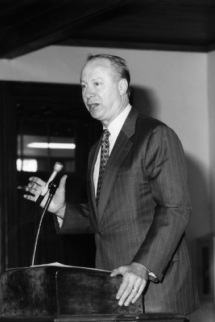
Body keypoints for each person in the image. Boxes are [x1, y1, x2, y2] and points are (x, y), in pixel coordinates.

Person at [24, 54, 199, 315]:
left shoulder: (155, 135)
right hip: (111, 290)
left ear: (122, 87)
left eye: (96, 84)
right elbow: (107, 218)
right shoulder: (97, 149)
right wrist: (61, 209)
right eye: (83, 85)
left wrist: (142, 266)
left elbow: (175, 208)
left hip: (154, 292)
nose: (88, 93)